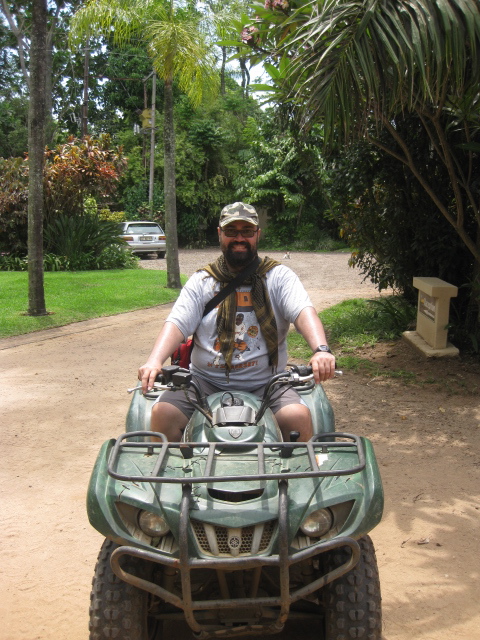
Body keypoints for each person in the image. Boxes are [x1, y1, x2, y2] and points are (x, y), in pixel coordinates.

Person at [138, 202, 336, 442]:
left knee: (298, 416)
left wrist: (321, 350)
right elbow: (178, 323)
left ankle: (299, 478)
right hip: (204, 382)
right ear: (220, 234)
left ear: (257, 235)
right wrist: (154, 361)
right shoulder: (202, 281)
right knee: (163, 414)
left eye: (247, 231)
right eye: (231, 231)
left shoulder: (279, 277)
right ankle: (165, 479)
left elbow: (304, 312)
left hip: (268, 383)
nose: (239, 238)